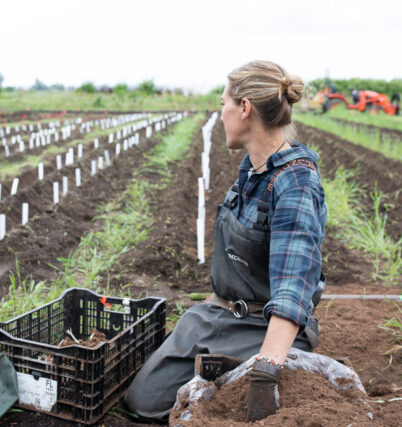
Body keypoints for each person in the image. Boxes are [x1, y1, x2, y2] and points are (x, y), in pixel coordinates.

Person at [124, 60, 328, 422]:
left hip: (264, 325)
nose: (221, 114)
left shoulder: (294, 181)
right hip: (220, 313)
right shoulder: (252, 169)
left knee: (210, 412)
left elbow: (294, 285)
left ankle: (300, 369)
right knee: (143, 401)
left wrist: (266, 371)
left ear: (245, 108)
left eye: (224, 104)